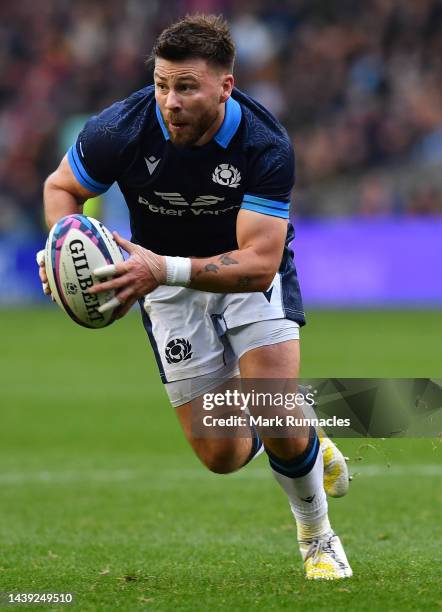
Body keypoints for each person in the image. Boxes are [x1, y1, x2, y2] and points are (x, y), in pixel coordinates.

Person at [38, 14, 352, 580]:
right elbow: (61, 187)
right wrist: (63, 243)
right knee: (221, 456)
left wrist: (164, 268)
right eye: (162, 85)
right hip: (162, 283)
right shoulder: (122, 127)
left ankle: (317, 537)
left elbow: (258, 265)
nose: (170, 101)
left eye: (186, 87)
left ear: (224, 87)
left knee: (273, 407)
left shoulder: (264, 142)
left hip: (239, 273)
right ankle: (309, 436)